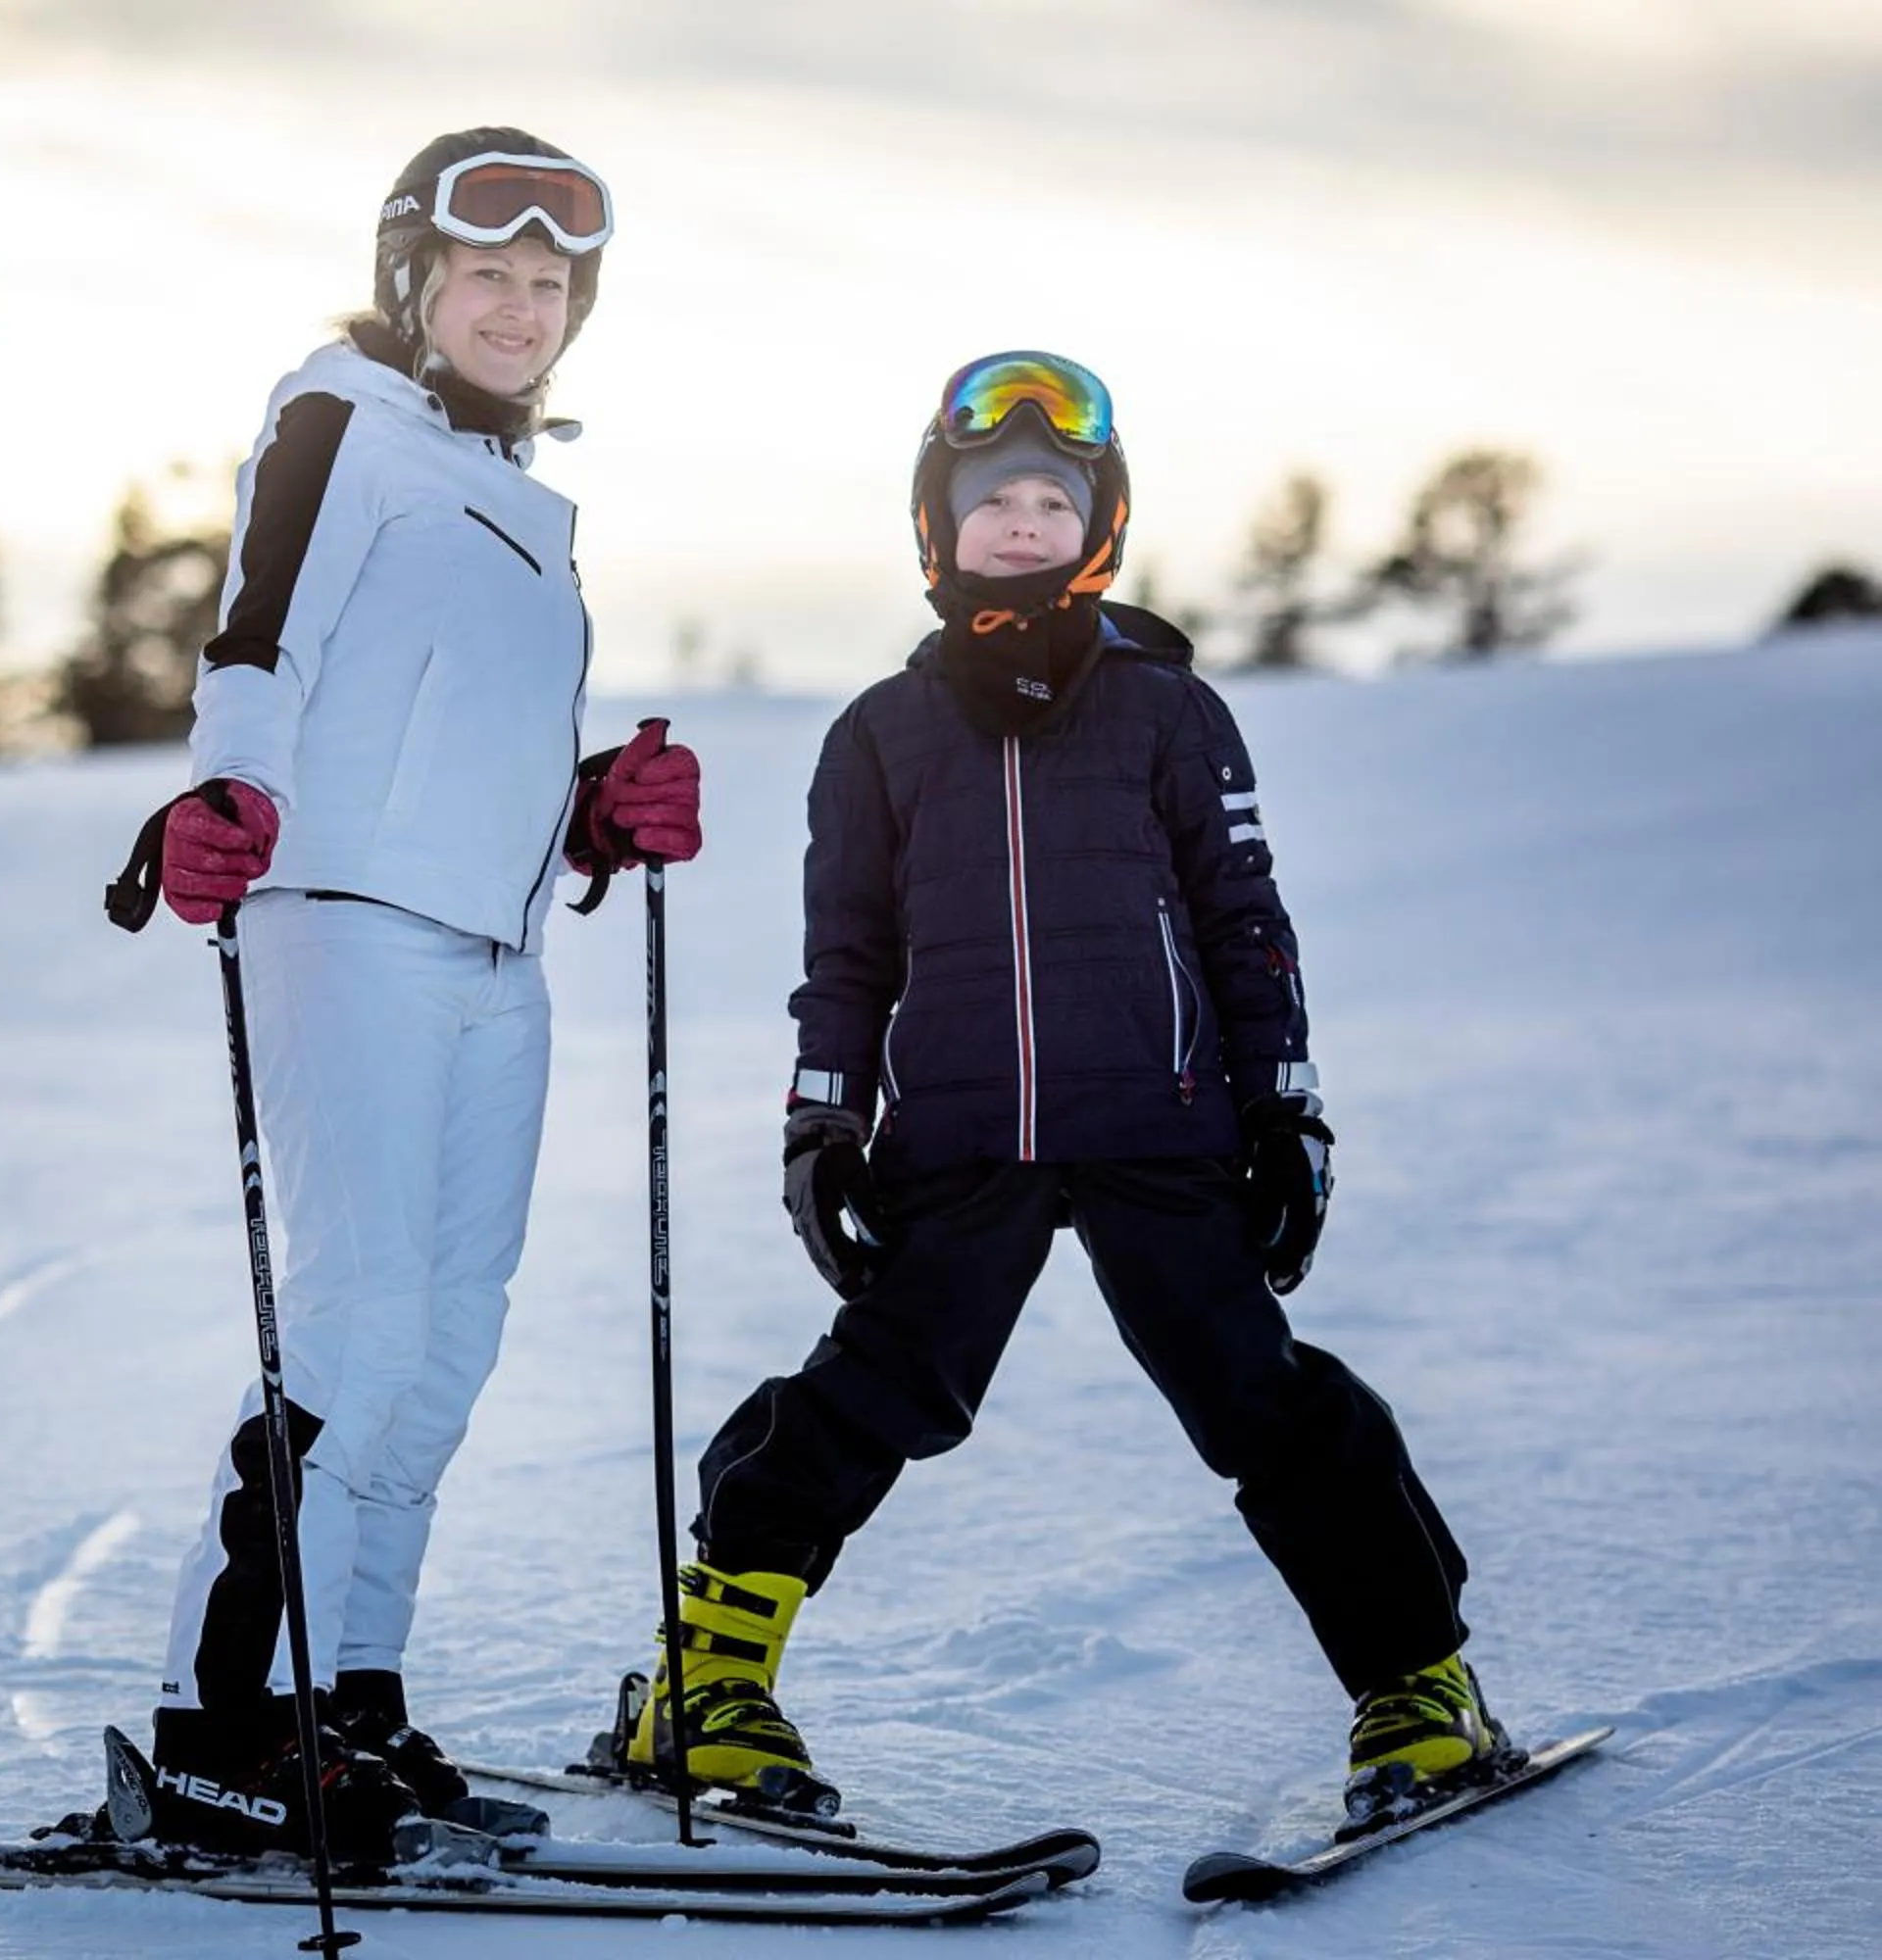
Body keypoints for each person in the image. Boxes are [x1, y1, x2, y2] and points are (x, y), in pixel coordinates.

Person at [622, 351, 1513, 1838]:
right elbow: (847, 953)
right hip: (959, 1138)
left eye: (1055, 497)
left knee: (1259, 1400)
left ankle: (1420, 1686)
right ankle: (703, 1677)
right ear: (936, 527)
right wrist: (822, 1116)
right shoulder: (878, 736)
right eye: (994, 500)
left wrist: (1285, 1106)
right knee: (873, 1396)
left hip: (1163, 1127)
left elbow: (1246, 923)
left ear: (1099, 524)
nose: (1024, 521)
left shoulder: (1171, 713)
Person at [127, 127, 704, 1864]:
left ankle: (345, 1700)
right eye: (490, 275)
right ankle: (220, 1727)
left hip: (495, 953)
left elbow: (456, 721)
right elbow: (260, 631)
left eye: (552, 285)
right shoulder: (338, 419)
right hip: (348, 920)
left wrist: (587, 806)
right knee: (361, 1326)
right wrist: (224, 788)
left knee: (447, 1348)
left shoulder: (525, 499)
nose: (523, 307)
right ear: (413, 280)